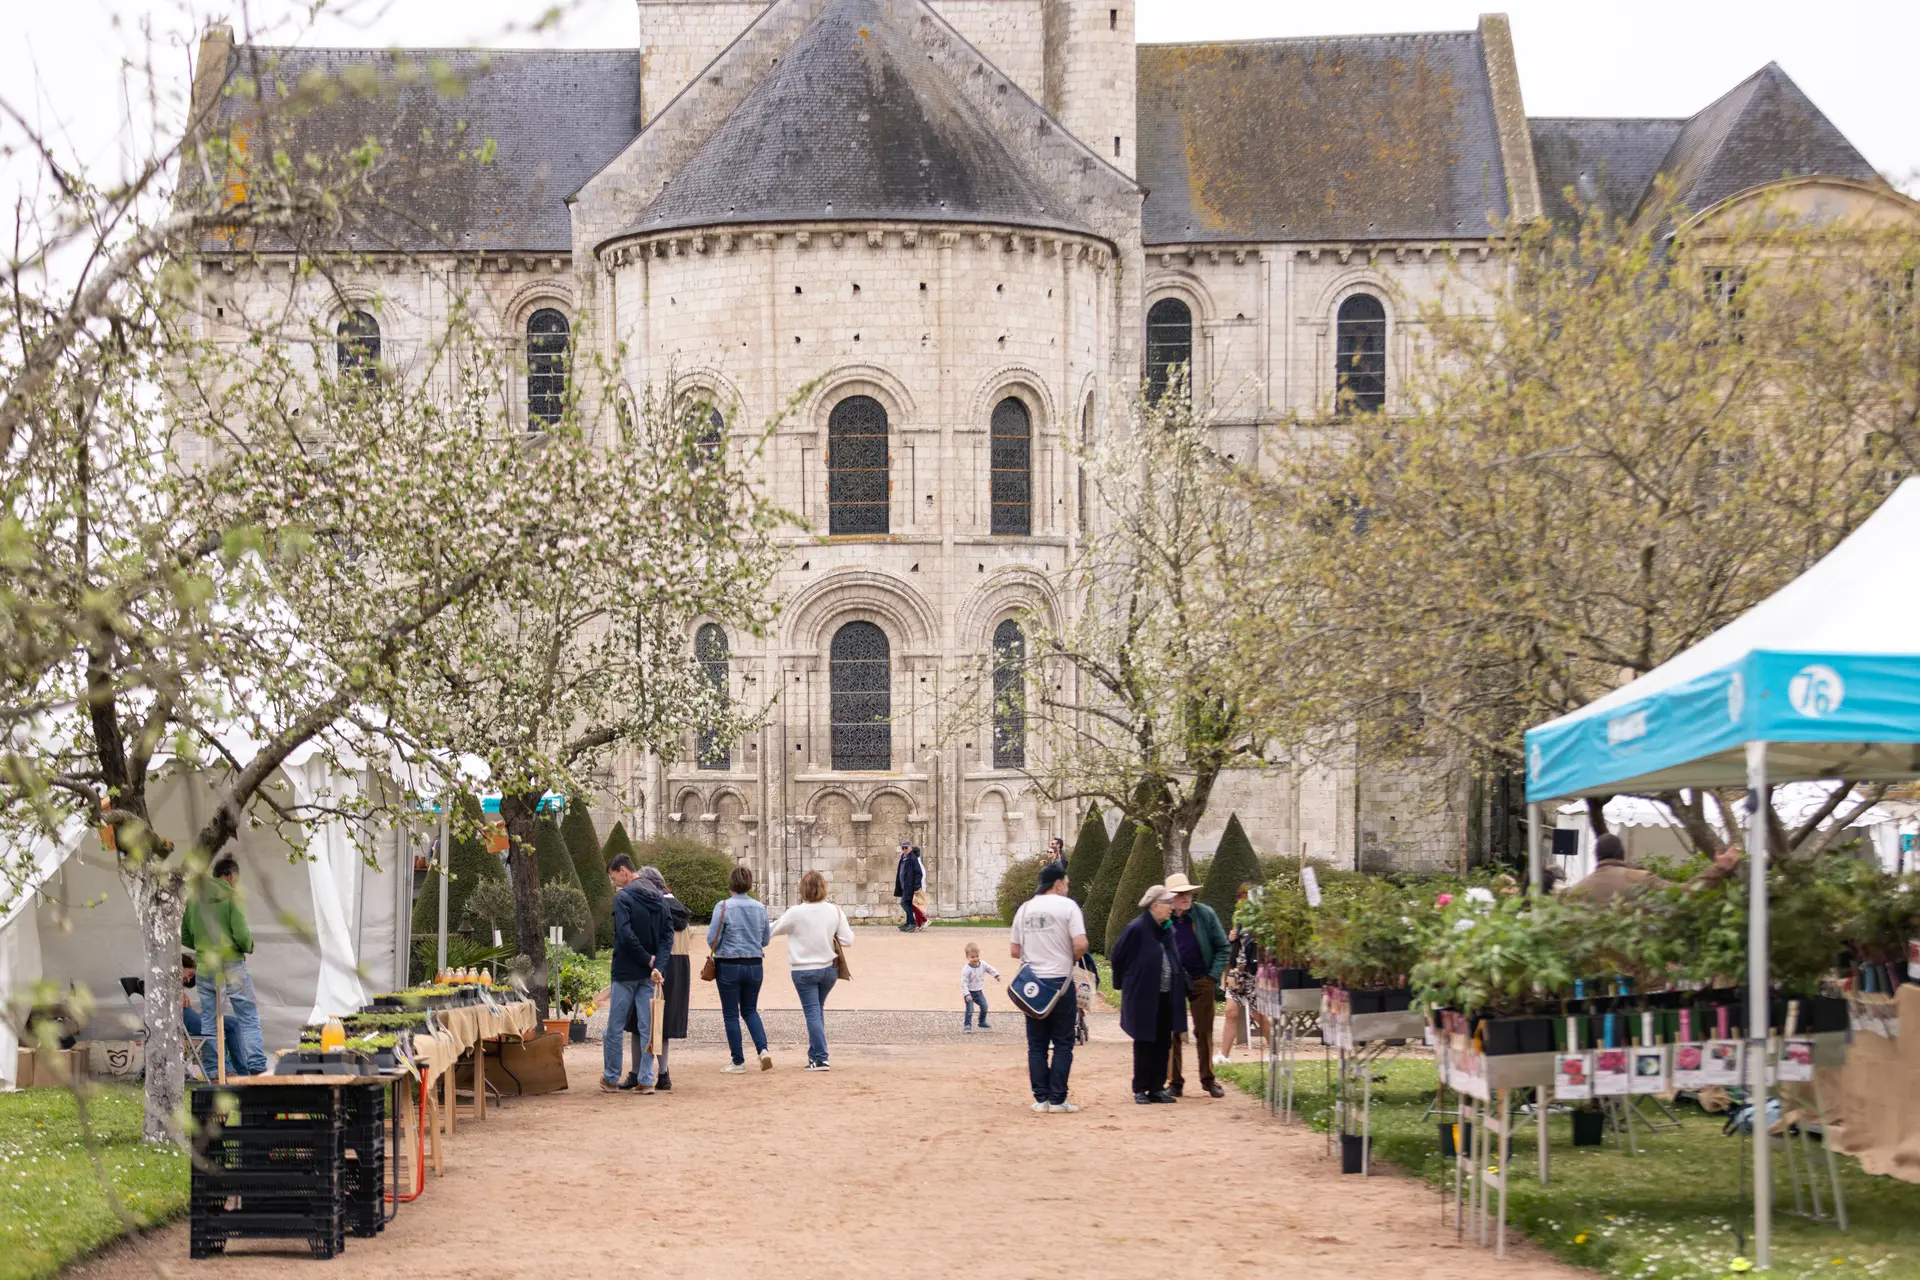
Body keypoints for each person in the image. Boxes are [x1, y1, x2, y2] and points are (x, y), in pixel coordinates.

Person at [1008, 861, 1088, 1112]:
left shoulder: (1024, 909)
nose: (1067, 887)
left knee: (1037, 1043)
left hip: (1033, 985)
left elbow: (1014, 950)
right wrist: (1070, 957)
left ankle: (1041, 1098)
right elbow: (1081, 943)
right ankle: (1058, 1098)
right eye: (1066, 883)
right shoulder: (1068, 907)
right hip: (1060, 981)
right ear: (1058, 883)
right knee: (1063, 1042)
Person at [181, 856, 268, 1077]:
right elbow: (241, 933)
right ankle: (256, 1064)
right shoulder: (231, 896)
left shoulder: (195, 899)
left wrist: (202, 945)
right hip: (231, 964)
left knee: (209, 1018)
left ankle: (214, 1069)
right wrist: (248, 945)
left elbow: (185, 935)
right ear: (230, 876)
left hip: (205, 966)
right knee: (247, 1014)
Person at [1108, 884, 1186, 1105]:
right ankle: (1140, 1088)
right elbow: (1118, 957)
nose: (1172, 907)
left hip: (1165, 994)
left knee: (1163, 1041)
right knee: (1144, 1041)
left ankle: (1157, 1087)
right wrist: (1124, 984)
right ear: (1154, 905)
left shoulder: (1167, 929)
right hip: (1143, 994)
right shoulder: (1137, 928)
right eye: (1168, 903)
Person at [770, 870, 853, 1070]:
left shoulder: (795, 912)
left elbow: (771, 931)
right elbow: (848, 940)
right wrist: (827, 936)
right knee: (817, 1009)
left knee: (812, 1011)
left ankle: (822, 1057)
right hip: (828, 969)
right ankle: (814, 1055)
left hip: (804, 970)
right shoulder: (835, 911)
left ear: (803, 890)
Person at [604, 853, 673, 1094]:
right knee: (648, 1028)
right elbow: (667, 936)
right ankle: (645, 1079)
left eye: (614, 877)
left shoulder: (623, 898)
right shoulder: (660, 898)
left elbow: (624, 934)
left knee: (614, 1027)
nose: (615, 883)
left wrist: (647, 959)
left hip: (625, 971)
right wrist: (657, 965)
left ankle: (611, 1078)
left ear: (624, 871)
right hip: (649, 974)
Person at [1163, 872, 1228, 1098]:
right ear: (1171, 897)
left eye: (1188, 893)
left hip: (1202, 979)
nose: (1186, 897)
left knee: (1204, 1031)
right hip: (1173, 981)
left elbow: (1223, 947)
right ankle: (1174, 1081)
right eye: (1181, 894)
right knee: (1171, 1032)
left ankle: (1208, 1080)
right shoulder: (1163, 916)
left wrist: (1212, 976)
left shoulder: (1205, 914)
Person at [706, 865, 774, 1073]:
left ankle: (738, 1061)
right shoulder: (760, 908)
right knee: (750, 1010)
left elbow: (712, 939)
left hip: (729, 964)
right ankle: (763, 1050)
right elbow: (765, 939)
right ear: (749, 884)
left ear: (731, 884)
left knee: (730, 1014)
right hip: (754, 964)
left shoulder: (723, 906)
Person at [637, 865, 692, 1090]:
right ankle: (664, 1073)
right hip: (680, 965)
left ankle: (642, 1072)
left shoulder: (655, 908)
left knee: (648, 1019)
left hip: (659, 964)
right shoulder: (679, 908)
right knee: (665, 1022)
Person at [1215, 885, 1270, 1066]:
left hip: (1255, 973)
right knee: (1231, 1012)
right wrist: (1232, 938)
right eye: (1240, 898)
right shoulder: (1238, 920)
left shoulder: (1262, 922)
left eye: (1245, 898)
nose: (1241, 902)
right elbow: (1232, 949)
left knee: (1258, 1014)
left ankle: (1274, 1051)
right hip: (1237, 972)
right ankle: (1224, 1055)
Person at [179, 953, 246, 1079]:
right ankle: (225, 1071)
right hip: (183, 1016)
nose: (187, 979)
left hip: (187, 1015)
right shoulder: (161, 977)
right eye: (190, 974)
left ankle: (242, 1072)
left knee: (232, 1023)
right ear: (181, 964)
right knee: (210, 1025)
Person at [959, 942, 1001, 1032]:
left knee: (984, 1006)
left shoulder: (983, 964)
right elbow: (964, 983)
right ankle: (967, 1025)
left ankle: (982, 1021)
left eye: (977, 956)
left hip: (979, 992)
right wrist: (966, 994)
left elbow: (990, 969)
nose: (975, 959)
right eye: (972, 957)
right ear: (967, 957)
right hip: (969, 993)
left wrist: (996, 975)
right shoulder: (966, 969)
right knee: (970, 1010)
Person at [894, 840, 926, 932]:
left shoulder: (912, 858)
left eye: (906, 848)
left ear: (910, 848)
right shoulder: (904, 858)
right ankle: (908, 923)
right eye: (902, 848)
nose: (904, 850)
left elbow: (918, 873)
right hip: (904, 886)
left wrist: (916, 887)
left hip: (910, 887)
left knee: (904, 903)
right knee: (907, 903)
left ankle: (912, 922)